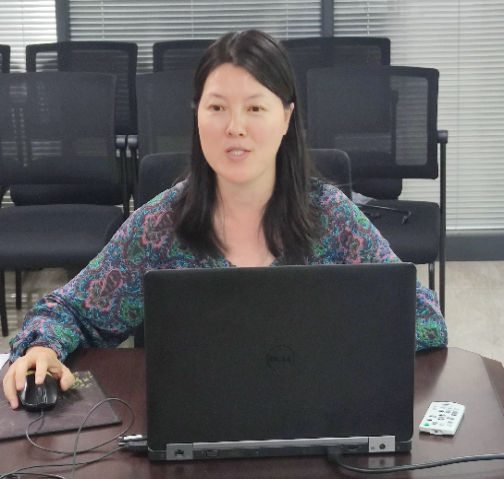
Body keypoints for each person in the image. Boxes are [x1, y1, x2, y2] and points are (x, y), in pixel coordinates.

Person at [3, 30, 447, 409]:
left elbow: (424, 319)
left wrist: (331, 345)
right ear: (196, 116)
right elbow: (66, 310)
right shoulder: (159, 227)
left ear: (286, 118)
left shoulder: (332, 218)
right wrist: (42, 347)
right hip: (191, 435)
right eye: (217, 108)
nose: (235, 126)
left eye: (255, 108)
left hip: (313, 424)